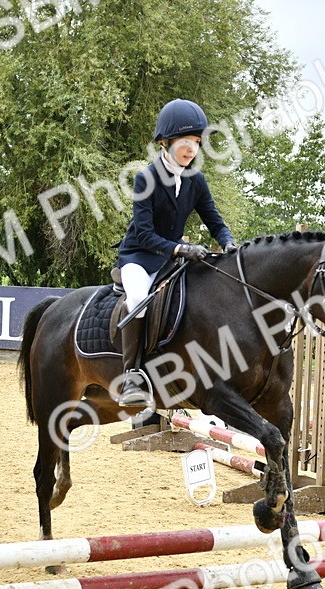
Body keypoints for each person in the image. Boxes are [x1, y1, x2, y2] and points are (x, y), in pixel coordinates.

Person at [113, 98, 237, 409]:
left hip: (171, 258)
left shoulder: (196, 180)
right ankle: (131, 375)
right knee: (139, 299)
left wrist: (228, 243)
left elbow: (214, 220)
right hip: (139, 257)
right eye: (185, 141)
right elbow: (142, 233)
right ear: (166, 142)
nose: (192, 149)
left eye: (196, 142)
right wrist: (180, 248)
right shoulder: (146, 177)